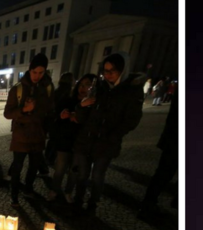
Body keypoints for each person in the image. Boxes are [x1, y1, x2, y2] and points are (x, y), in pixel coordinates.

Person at [72, 52, 144, 215]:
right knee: (82, 174)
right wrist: (82, 106)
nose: (108, 75)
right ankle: (77, 201)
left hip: (106, 143)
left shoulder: (131, 90)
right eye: (105, 70)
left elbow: (132, 120)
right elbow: (82, 117)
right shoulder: (99, 87)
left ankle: (92, 203)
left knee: (97, 176)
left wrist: (113, 135)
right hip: (86, 140)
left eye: (112, 71)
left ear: (122, 70)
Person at [3, 52, 54, 208]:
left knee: (34, 166)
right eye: (34, 72)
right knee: (17, 166)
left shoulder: (48, 88)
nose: (37, 76)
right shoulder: (18, 89)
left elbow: (51, 109)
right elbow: (7, 113)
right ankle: (14, 195)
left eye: (41, 73)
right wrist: (24, 110)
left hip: (38, 134)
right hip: (21, 135)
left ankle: (28, 189)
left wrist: (40, 110)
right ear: (29, 70)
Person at [47, 73, 95, 203]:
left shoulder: (94, 105)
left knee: (74, 170)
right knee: (60, 168)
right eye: (82, 84)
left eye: (87, 85)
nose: (83, 88)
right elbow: (56, 118)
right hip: (65, 140)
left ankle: (68, 191)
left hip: (81, 142)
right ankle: (54, 189)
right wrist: (61, 116)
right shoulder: (68, 100)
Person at [140, 93, 178, 215]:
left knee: (163, 173)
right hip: (174, 141)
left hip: (173, 140)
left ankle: (150, 203)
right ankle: (148, 203)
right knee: (163, 173)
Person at [46, 72, 74, 164]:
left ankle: (48, 158)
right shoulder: (69, 94)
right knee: (56, 142)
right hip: (61, 122)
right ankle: (51, 158)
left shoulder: (56, 92)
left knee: (52, 141)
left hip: (53, 121)